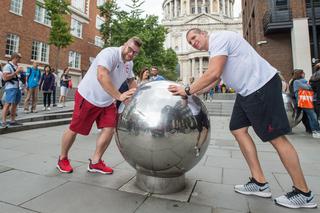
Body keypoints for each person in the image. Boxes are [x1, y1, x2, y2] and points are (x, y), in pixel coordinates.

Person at [168, 28, 317, 209]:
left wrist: (188, 90)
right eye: (190, 42)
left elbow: (213, 73)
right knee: (238, 129)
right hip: (246, 92)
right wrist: (193, 93)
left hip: (260, 86)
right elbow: (216, 80)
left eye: (194, 37)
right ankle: (259, 182)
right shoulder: (215, 49)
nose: (193, 43)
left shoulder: (219, 38)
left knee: (277, 138)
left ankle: (303, 193)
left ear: (204, 33)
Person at [56, 36, 142, 174]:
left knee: (109, 129)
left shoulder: (129, 64)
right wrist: (119, 96)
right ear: (124, 44)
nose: (131, 54)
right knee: (74, 128)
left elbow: (131, 81)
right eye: (130, 49)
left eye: (135, 52)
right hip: (88, 96)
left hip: (107, 100)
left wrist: (139, 97)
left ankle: (95, 162)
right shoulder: (109, 53)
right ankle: (62, 158)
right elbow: (102, 75)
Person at [292, 69, 320, 138]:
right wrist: (308, 86)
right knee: (313, 116)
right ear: (300, 74)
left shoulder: (304, 81)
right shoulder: (296, 82)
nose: (304, 74)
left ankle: (314, 131)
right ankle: (316, 131)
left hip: (308, 100)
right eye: (303, 73)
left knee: (310, 116)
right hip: (304, 101)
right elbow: (308, 87)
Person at [1, 52, 24, 128]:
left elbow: (19, 77)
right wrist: (16, 72)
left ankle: (12, 121)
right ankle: (3, 121)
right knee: (7, 104)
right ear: (15, 57)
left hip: (18, 88)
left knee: (15, 105)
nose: (20, 59)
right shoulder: (8, 66)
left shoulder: (17, 66)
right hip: (10, 88)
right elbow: (5, 78)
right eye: (19, 57)